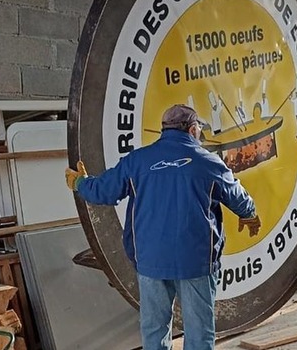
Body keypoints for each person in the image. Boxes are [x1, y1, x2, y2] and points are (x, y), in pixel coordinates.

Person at [64, 104, 261, 350]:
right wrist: (250, 214)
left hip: (150, 259)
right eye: (198, 128)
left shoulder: (137, 161)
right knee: (199, 332)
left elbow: (104, 191)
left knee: (154, 329)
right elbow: (237, 196)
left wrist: (81, 183)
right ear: (192, 130)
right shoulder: (208, 162)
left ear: (164, 130)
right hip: (196, 261)